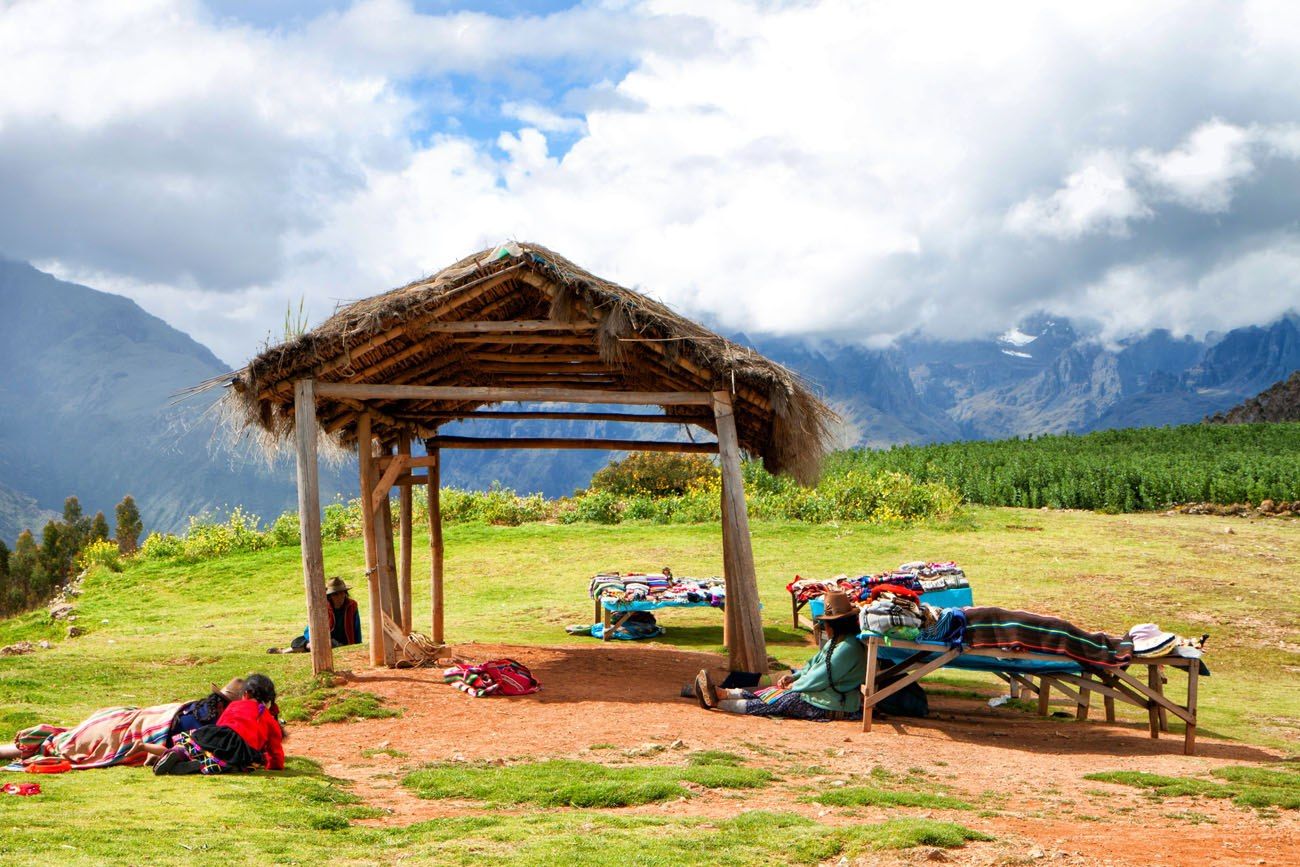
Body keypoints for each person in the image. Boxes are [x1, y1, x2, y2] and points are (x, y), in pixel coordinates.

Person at [694, 590, 866, 720]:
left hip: (836, 703)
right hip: (823, 695)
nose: (825, 628)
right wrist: (794, 677)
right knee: (772, 692)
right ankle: (722, 693)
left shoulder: (847, 648)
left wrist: (796, 686)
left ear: (836, 625)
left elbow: (821, 676)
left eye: (827, 624)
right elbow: (813, 665)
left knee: (785, 700)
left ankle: (719, 703)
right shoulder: (836, 642)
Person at [0, 679, 246, 769]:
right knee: (63, 746)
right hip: (131, 730)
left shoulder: (199, 706)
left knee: (67, 738)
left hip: (128, 717)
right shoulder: (216, 722)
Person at [153, 673, 285, 775]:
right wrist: (274, 765)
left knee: (194, 740)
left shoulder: (234, 705)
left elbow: (221, 725)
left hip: (220, 736)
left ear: (246, 694)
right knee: (230, 764)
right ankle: (199, 767)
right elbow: (275, 749)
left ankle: (179, 752)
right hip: (243, 751)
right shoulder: (269, 719)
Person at [269, 576, 362, 653]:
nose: (340, 597)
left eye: (342, 593)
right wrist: (314, 641)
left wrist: (358, 646)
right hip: (324, 640)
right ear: (330, 596)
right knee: (301, 642)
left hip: (344, 642)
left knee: (332, 645)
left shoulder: (352, 605)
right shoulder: (323, 607)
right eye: (336, 594)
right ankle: (284, 651)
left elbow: (357, 628)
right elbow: (309, 629)